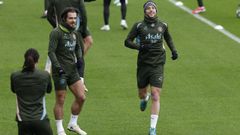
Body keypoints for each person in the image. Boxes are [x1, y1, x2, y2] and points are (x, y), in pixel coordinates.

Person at [124, 1, 178, 135]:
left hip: (158, 64)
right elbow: (127, 41)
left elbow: (168, 38)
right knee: (142, 93)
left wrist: (174, 51)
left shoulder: (163, 25)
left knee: (156, 94)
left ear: (156, 10)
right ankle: (144, 98)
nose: (151, 10)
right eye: (148, 8)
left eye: (153, 8)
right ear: (145, 11)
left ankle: (152, 128)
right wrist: (140, 47)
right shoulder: (139, 26)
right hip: (143, 64)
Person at [48, 7, 87, 135]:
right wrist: (57, 67)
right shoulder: (56, 32)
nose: (73, 21)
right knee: (61, 99)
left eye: (75, 18)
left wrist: (80, 58)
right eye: (71, 18)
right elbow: (51, 52)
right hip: (60, 71)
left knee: (81, 97)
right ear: (64, 18)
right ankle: (60, 129)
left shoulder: (74, 33)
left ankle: (72, 124)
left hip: (72, 70)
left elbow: (78, 48)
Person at [47, 0, 93, 91]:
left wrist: (56, 26)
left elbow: (49, 16)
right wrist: (82, 30)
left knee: (88, 42)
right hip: (75, 26)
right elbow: (84, 14)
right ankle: (80, 80)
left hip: (65, 25)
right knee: (79, 52)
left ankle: (70, 67)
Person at [10, 48, 53, 135]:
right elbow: (49, 90)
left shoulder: (15, 76)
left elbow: (14, 90)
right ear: (37, 60)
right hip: (41, 120)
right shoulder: (44, 76)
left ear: (25, 59)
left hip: (23, 121)